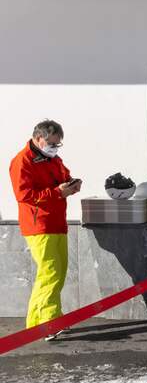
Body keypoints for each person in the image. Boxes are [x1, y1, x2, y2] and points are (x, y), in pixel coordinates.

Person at [9, 120, 81, 338]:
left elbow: (63, 176)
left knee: (57, 272)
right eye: (51, 144)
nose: (55, 148)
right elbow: (24, 195)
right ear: (38, 138)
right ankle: (48, 322)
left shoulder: (52, 159)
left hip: (57, 222)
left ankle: (40, 321)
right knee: (50, 272)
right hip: (38, 224)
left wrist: (71, 184)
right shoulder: (22, 161)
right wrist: (58, 193)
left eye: (58, 144)